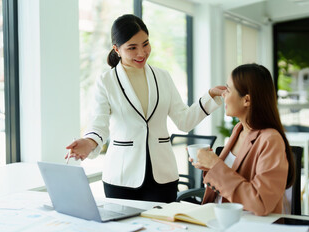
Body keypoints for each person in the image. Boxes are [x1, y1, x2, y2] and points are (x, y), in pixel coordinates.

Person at [65, 14, 225, 203]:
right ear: (117, 49)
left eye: (145, 44)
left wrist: (210, 97)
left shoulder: (163, 77)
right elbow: (99, 124)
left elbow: (184, 121)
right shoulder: (106, 81)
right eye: (132, 48)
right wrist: (89, 141)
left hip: (163, 174)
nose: (141, 53)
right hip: (121, 176)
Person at [192, 63, 295, 216]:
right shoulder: (238, 129)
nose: (223, 94)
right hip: (217, 219)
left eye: (228, 89)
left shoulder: (270, 140)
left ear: (247, 100)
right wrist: (208, 165)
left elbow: (261, 203)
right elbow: (228, 178)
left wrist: (215, 164)